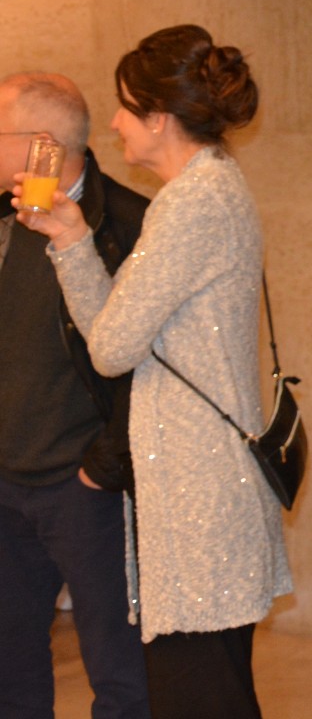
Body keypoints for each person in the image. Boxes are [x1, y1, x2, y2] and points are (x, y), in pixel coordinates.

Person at [14, 25, 292, 719]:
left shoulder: (192, 203)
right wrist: (72, 237)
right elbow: (119, 331)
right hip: (194, 489)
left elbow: (111, 348)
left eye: (125, 108)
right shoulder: (205, 190)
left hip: (199, 494)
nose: (113, 124)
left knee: (198, 693)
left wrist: (73, 245)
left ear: (159, 118)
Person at [0, 72, 149, 719]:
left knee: (121, 672)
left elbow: (148, 365)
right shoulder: (6, 213)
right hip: (7, 484)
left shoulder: (132, 225)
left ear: (41, 144)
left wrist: (105, 466)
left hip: (88, 490)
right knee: (10, 665)